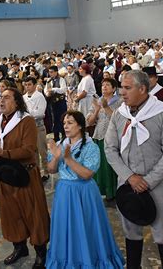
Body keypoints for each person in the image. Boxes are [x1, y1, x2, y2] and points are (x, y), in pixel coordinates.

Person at [105, 70, 163, 269]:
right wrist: (130, 177)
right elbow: (110, 149)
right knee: (131, 230)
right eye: (122, 87)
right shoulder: (119, 115)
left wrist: (147, 180)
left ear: (143, 89)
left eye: (127, 88)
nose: (122, 92)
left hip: (158, 186)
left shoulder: (162, 114)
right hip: (128, 184)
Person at [46, 111, 124, 268]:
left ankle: (89, 260)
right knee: (66, 228)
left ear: (80, 125)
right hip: (64, 193)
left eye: (70, 122)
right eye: (64, 123)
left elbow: (87, 174)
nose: (66, 126)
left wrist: (67, 159)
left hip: (84, 193)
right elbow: (51, 170)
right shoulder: (60, 144)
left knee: (86, 228)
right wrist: (55, 157)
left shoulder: (91, 147)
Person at [0, 88, 50, 268]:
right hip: (6, 175)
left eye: (6, 98)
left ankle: (41, 253)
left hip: (25, 175)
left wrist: (3, 152)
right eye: (0, 98)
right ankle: (20, 247)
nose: (1, 101)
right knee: (11, 215)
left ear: (17, 102)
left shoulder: (25, 120)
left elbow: (29, 150)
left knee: (33, 214)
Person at [86, 78, 121, 201]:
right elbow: (89, 122)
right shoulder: (97, 101)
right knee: (100, 166)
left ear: (114, 88)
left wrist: (106, 107)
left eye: (107, 85)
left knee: (111, 165)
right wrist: (96, 110)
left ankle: (113, 191)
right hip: (99, 136)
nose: (104, 87)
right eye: (103, 85)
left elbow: (119, 120)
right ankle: (102, 190)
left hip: (113, 138)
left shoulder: (119, 102)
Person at [23, 76, 49, 182]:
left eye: (29, 84)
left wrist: (29, 113)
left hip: (38, 126)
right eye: (26, 85)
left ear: (34, 85)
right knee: (33, 151)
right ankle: (36, 171)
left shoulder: (40, 96)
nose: (27, 87)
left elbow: (40, 113)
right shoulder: (23, 97)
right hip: (28, 127)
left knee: (42, 150)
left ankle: (46, 171)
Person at [45, 66, 67, 141]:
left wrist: (54, 89)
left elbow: (63, 89)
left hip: (60, 102)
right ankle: (56, 136)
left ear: (56, 72)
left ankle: (64, 135)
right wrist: (47, 93)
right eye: (49, 72)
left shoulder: (61, 79)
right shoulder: (49, 81)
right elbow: (46, 90)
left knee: (62, 118)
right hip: (52, 102)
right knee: (54, 119)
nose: (50, 74)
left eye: (52, 72)